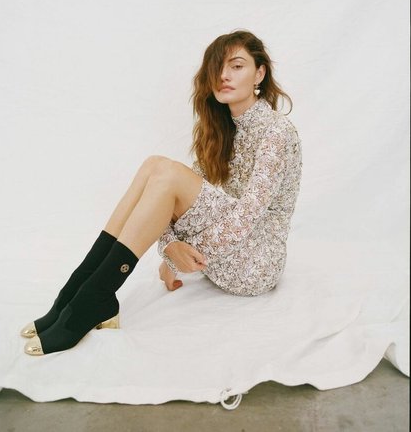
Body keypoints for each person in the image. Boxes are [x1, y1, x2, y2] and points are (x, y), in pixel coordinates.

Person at [21, 30, 303, 356]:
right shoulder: (222, 129)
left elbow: (246, 217)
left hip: (256, 264)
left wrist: (177, 256)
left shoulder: (276, 131)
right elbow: (171, 202)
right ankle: (77, 291)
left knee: (166, 172)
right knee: (154, 166)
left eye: (237, 66)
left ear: (260, 73)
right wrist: (170, 246)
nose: (224, 76)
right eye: (217, 68)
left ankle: (92, 298)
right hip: (220, 257)